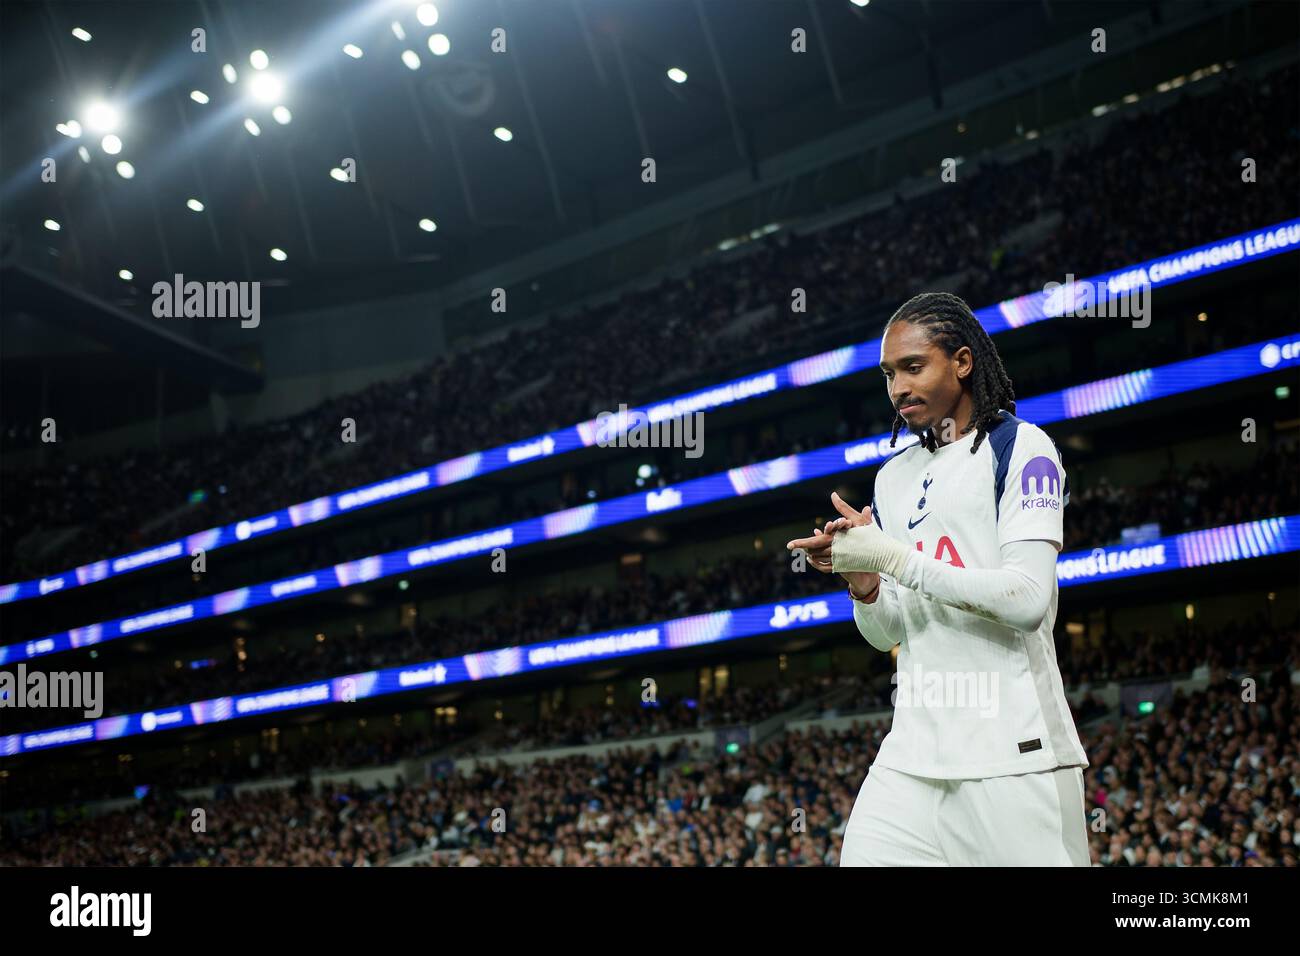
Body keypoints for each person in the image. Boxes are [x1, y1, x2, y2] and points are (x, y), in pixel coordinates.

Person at [787, 291, 1088, 866]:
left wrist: (894, 559)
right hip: (911, 759)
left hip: (1013, 754)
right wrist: (864, 581)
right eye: (888, 374)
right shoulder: (892, 477)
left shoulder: (1021, 448)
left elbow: (1028, 600)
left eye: (913, 367)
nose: (897, 387)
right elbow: (888, 632)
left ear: (963, 362)